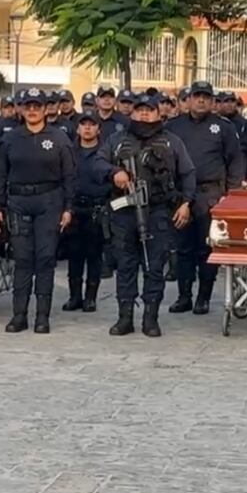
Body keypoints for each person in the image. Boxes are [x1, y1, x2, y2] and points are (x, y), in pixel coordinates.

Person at [104, 93, 196, 337]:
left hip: (157, 211)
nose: (144, 114)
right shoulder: (117, 139)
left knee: (154, 265)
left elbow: (187, 173)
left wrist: (186, 203)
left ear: (159, 113)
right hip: (124, 212)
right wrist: (115, 172)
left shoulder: (171, 141)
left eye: (150, 110)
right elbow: (96, 163)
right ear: (131, 112)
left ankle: (150, 317)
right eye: (139, 109)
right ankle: (125, 317)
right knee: (125, 265)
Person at [0, 88, 75, 334]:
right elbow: (0, 175)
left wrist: (68, 207)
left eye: (36, 106)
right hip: (18, 201)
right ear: (21, 109)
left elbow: (69, 175)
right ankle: (19, 315)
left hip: (49, 201)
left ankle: (42, 316)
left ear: (45, 109)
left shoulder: (59, 138)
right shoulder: (10, 138)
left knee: (45, 259)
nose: (32, 110)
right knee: (23, 259)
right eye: (27, 106)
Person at [165, 81, 245, 315]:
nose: (201, 100)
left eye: (206, 97)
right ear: (188, 99)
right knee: (182, 248)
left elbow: (235, 162)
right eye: (197, 96)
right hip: (180, 195)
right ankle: (184, 296)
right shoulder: (173, 126)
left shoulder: (223, 127)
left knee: (207, 249)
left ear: (212, 102)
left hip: (210, 195)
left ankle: (203, 297)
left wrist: (230, 195)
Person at [62, 111, 113, 313]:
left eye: (92, 124)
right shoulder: (69, 151)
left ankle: (90, 298)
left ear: (99, 129)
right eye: (84, 124)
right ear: (78, 128)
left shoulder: (105, 152)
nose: (88, 128)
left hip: (97, 208)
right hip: (74, 208)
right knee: (74, 255)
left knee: (94, 255)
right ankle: (74, 296)